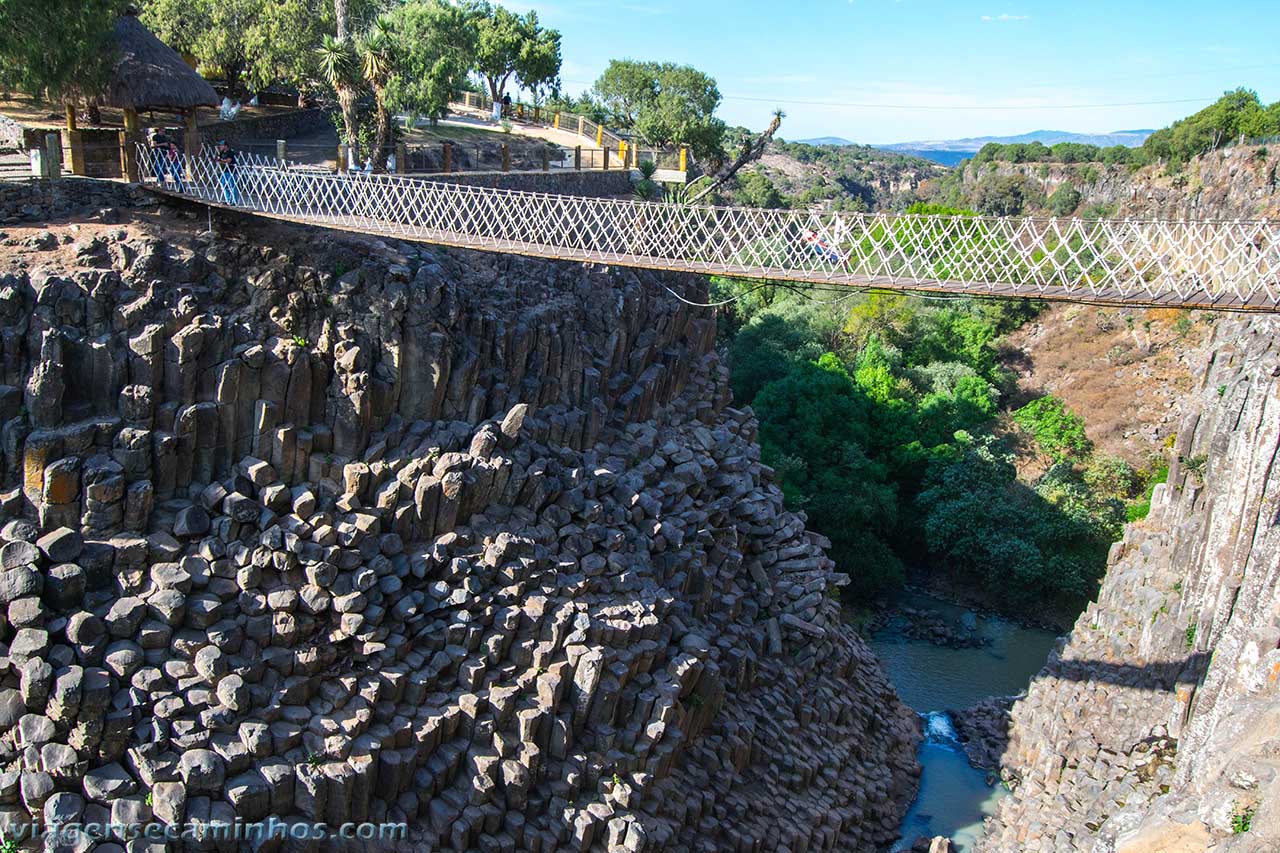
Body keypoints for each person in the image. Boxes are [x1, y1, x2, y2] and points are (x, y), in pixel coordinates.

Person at [215, 139, 239, 204]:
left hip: (231, 171)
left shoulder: (230, 152)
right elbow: (217, 159)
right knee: (224, 185)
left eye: (222, 145)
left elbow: (229, 161)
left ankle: (235, 201)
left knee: (232, 186)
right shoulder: (221, 152)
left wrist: (221, 160)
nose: (220, 147)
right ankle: (228, 200)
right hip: (224, 171)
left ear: (226, 146)